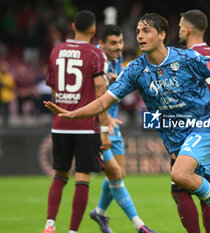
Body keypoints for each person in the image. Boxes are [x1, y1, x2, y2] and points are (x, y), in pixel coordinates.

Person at [45, 13, 210, 233]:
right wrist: (72, 114)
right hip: (177, 141)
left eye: (146, 31)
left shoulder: (186, 58)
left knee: (179, 175)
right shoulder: (135, 69)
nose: (140, 36)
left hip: (204, 128)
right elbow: (104, 101)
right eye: (137, 31)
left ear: (162, 34)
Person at [43, 10, 113, 233]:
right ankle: (73, 231)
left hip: (60, 123)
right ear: (93, 29)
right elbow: (100, 93)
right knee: (82, 177)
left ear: (73, 26)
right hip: (85, 125)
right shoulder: (95, 54)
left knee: (59, 174)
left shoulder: (56, 51)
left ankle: (50, 224)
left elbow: (53, 88)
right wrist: (104, 128)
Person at [89, 24, 156, 233]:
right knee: (116, 174)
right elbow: (91, 96)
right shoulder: (94, 63)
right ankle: (139, 226)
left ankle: (99, 212)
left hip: (114, 124)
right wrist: (103, 123)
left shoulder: (117, 62)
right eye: (113, 43)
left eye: (120, 42)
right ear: (101, 44)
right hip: (98, 126)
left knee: (119, 174)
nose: (119, 47)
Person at [171, 9, 210, 233]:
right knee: (209, 190)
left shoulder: (186, 58)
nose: (179, 30)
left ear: (188, 29)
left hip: (190, 133)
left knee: (180, 189)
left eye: (181, 26)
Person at [0, 61, 16, 126]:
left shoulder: (9, 76)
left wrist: (4, 84)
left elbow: (12, 86)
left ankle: (6, 122)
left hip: (6, 96)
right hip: (1, 95)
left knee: (6, 109)